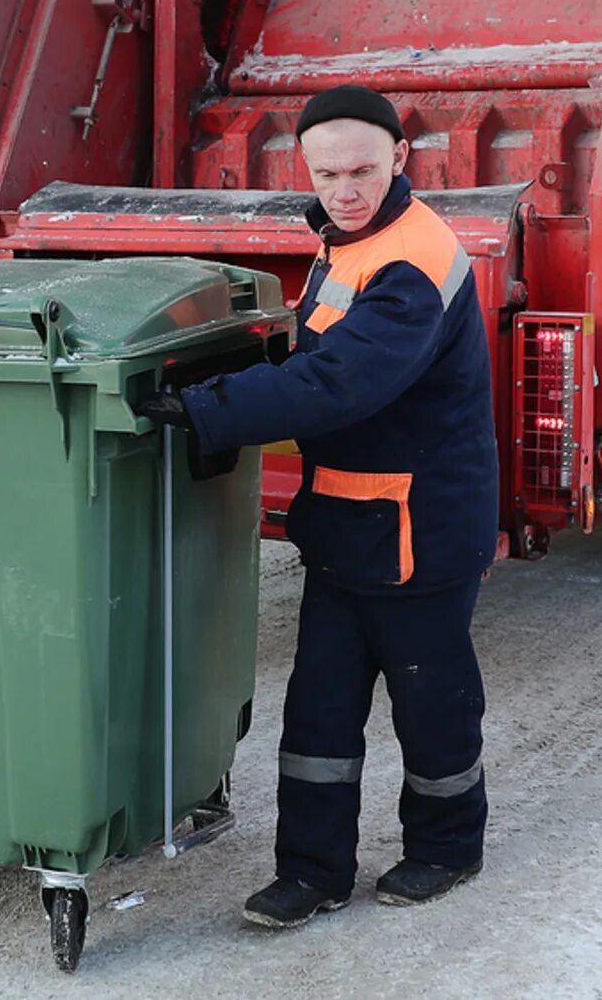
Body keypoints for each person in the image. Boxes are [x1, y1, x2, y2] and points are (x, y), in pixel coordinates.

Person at [135, 85, 499, 928]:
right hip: (346, 524)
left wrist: (210, 409)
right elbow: (313, 349)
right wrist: (211, 379)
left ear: (401, 159)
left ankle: (447, 847)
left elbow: (342, 380)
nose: (344, 188)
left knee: (432, 703)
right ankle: (311, 871)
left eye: (363, 170)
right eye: (327, 172)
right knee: (319, 713)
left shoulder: (414, 259)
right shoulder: (346, 241)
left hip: (421, 532)